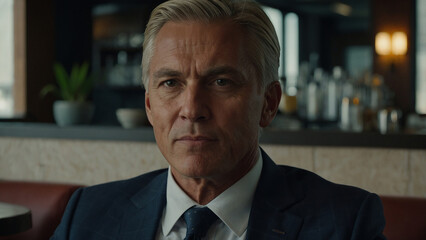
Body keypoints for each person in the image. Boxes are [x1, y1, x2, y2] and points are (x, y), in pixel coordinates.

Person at [51, 0, 386, 239]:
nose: (192, 108)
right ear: (150, 105)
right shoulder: (88, 214)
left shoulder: (345, 223)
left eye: (221, 82)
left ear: (269, 104)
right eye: (171, 83)